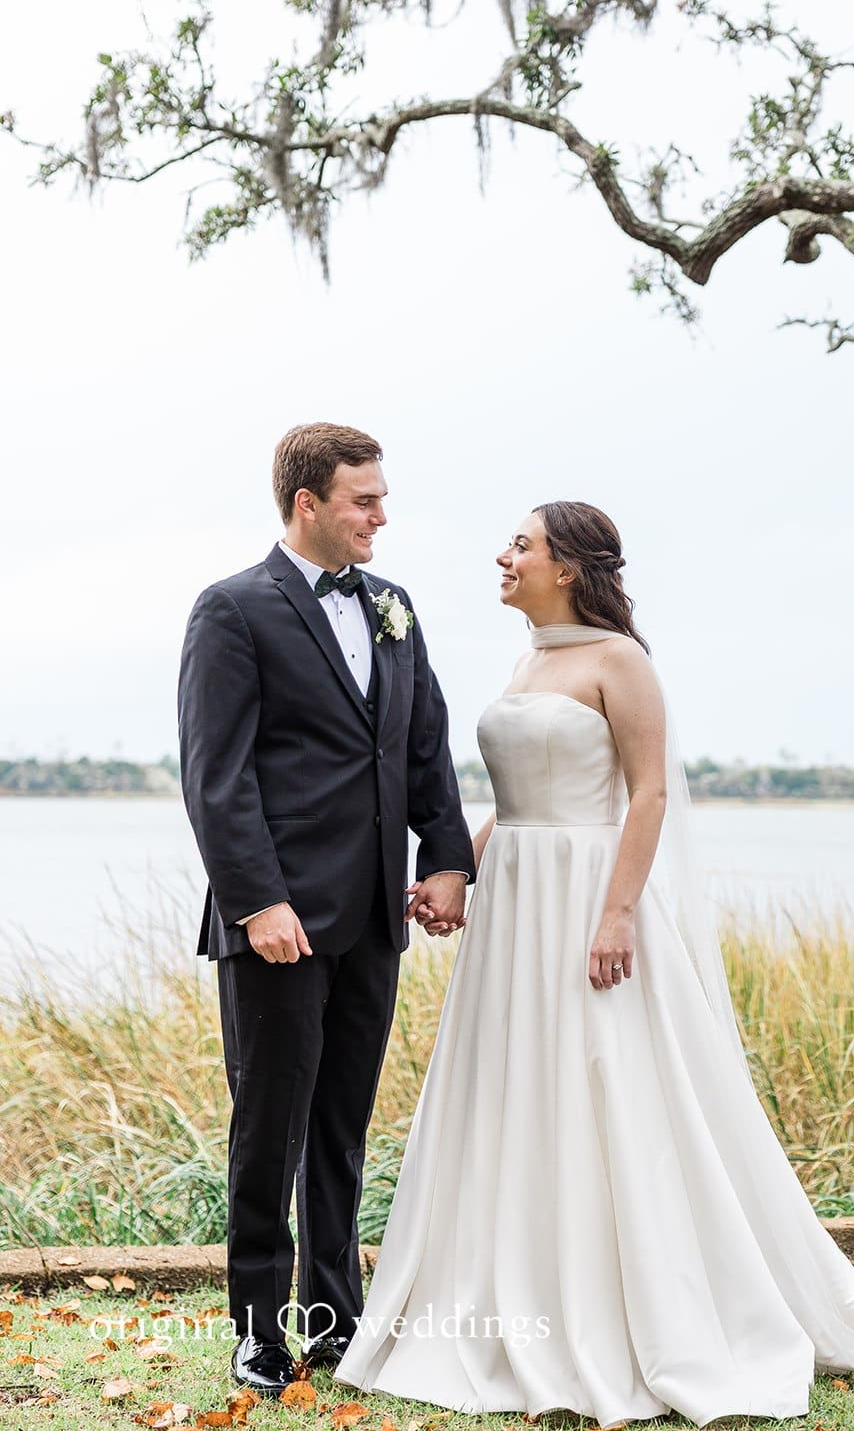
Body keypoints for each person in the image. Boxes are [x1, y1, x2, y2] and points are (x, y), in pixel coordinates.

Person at [334, 500, 854, 1424]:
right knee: (518, 1083)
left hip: (587, 898)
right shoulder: (529, 661)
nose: (503, 555)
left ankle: (640, 1307)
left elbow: (644, 796)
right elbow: (523, 800)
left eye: (520, 544)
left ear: (567, 566)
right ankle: (515, 1289)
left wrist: (615, 915)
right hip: (517, 898)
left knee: (612, 1084)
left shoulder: (621, 662)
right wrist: (459, 871)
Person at [178, 422, 474, 1397]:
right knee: (270, 1124)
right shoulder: (231, 611)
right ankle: (258, 1328)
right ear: (308, 503)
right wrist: (256, 898)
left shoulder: (392, 606)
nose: (380, 516)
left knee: (342, 1123)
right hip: (275, 921)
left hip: (372, 918)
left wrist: (445, 860)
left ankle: (334, 1319)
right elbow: (215, 778)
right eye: (363, 499)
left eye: (381, 497)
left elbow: (420, 740)